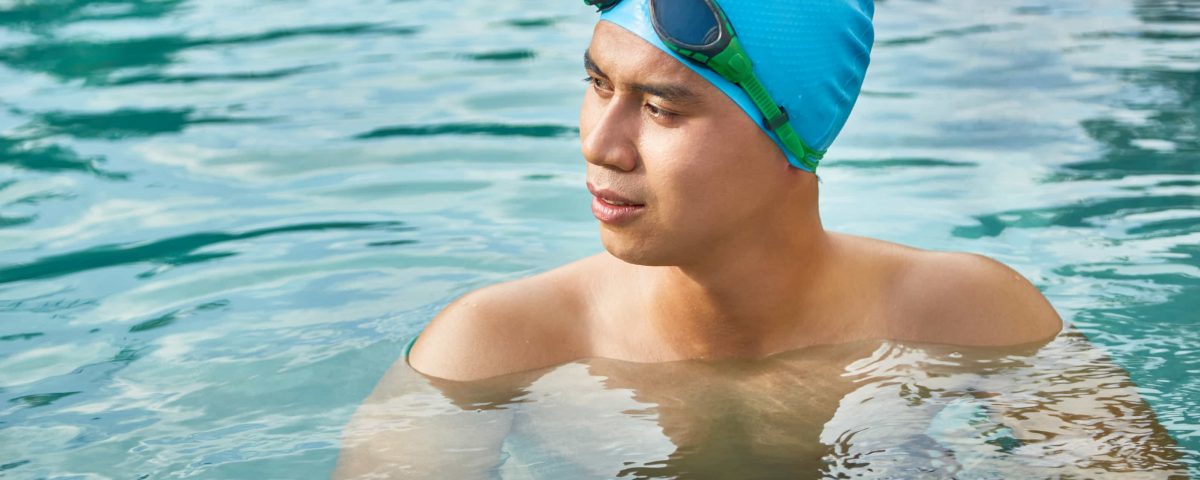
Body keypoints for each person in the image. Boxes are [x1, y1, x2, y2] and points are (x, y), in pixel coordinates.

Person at [407, 0, 1061, 382]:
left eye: (662, 109)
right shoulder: (493, 350)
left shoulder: (970, 318)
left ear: (792, 130)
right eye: (598, 84)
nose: (600, 145)